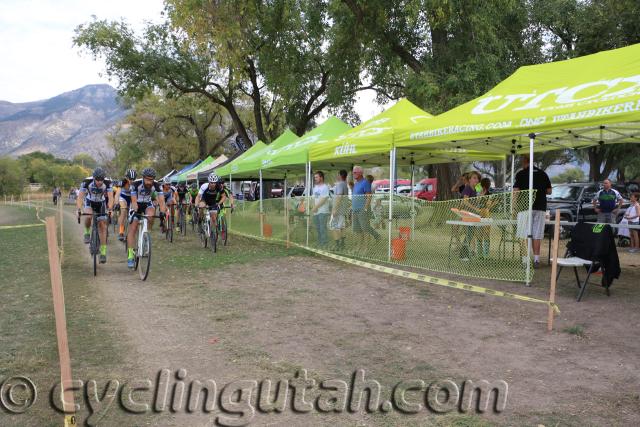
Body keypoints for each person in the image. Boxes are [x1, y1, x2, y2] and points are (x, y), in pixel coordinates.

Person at [513, 156, 552, 269]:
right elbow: (549, 191)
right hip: (540, 207)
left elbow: (516, 192)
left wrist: (514, 208)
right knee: (537, 234)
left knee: (523, 234)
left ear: (524, 162)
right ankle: (536, 260)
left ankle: (525, 261)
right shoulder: (543, 173)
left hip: (524, 207)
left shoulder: (521, 174)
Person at [127, 168, 166, 268]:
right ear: (143, 178)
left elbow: (161, 201)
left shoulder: (157, 185)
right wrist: (135, 212)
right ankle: (130, 255)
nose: (149, 182)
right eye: (147, 179)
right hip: (136, 204)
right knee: (133, 227)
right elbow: (134, 201)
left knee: (151, 215)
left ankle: (146, 235)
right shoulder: (135, 184)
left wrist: (162, 212)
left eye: (151, 179)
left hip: (147, 203)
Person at [76, 167, 114, 264]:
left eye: (101, 180)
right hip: (89, 202)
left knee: (102, 226)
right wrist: (79, 209)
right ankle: (87, 232)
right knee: (88, 216)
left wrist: (110, 209)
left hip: (101, 203)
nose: (100, 182)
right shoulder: (86, 182)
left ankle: (103, 252)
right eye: (97, 180)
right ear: (94, 178)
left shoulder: (108, 182)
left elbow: (110, 198)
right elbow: (80, 197)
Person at [351, 166, 380, 251]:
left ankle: (366, 249)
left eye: (355, 172)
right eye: (353, 172)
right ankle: (358, 248)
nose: (353, 174)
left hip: (362, 210)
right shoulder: (356, 184)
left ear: (360, 173)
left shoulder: (366, 182)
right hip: (355, 210)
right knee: (357, 230)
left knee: (365, 230)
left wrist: (365, 208)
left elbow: (369, 197)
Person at [195, 173, 227, 239]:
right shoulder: (204, 186)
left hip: (212, 201)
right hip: (204, 200)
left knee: (214, 218)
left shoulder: (219, 187)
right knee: (201, 207)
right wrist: (196, 205)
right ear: (209, 182)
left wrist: (219, 203)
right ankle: (200, 221)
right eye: (211, 183)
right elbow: (198, 197)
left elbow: (224, 197)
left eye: (214, 183)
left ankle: (212, 232)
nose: (213, 184)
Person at [459, 171, 481, 260]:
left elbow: (478, 200)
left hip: (473, 215)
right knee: (469, 235)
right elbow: (465, 201)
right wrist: (475, 208)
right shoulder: (467, 188)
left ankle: (466, 253)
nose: (476, 180)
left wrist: (480, 194)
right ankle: (463, 255)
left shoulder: (476, 189)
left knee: (470, 235)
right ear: (469, 179)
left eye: (477, 178)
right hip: (467, 215)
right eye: (474, 178)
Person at [329, 170, 349, 250]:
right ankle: (342, 244)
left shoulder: (340, 184)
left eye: (338, 175)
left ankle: (337, 246)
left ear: (340, 175)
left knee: (333, 227)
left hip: (338, 210)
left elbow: (339, 196)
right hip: (343, 209)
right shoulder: (345, 184)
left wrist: (334, 209)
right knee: (342, 227)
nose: (337, 176)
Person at [115, 169, 136, 241]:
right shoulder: (122, 182)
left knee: (133, 213)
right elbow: (117, 194)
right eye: (130, 179)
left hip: (131, 198)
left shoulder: (136, 183)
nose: (132, 181)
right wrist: (117, 203)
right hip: (123, 197)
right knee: (123, 211)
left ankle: (131, 230)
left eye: (133, 179)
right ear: (126, 178)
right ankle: (121, 232)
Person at [311, 171, 331, 248]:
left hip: (323, 211)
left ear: (321, 178)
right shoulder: (315, 188)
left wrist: (316, 207)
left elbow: (324, 199)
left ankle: (324, 244)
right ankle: (320, 242)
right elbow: (313, 198)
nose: (315, 179)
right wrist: (313, 207)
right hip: (316, 211)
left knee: (323, 228)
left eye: (316, 177)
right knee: (318, 228)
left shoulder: (325, 187)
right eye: (315, 177)